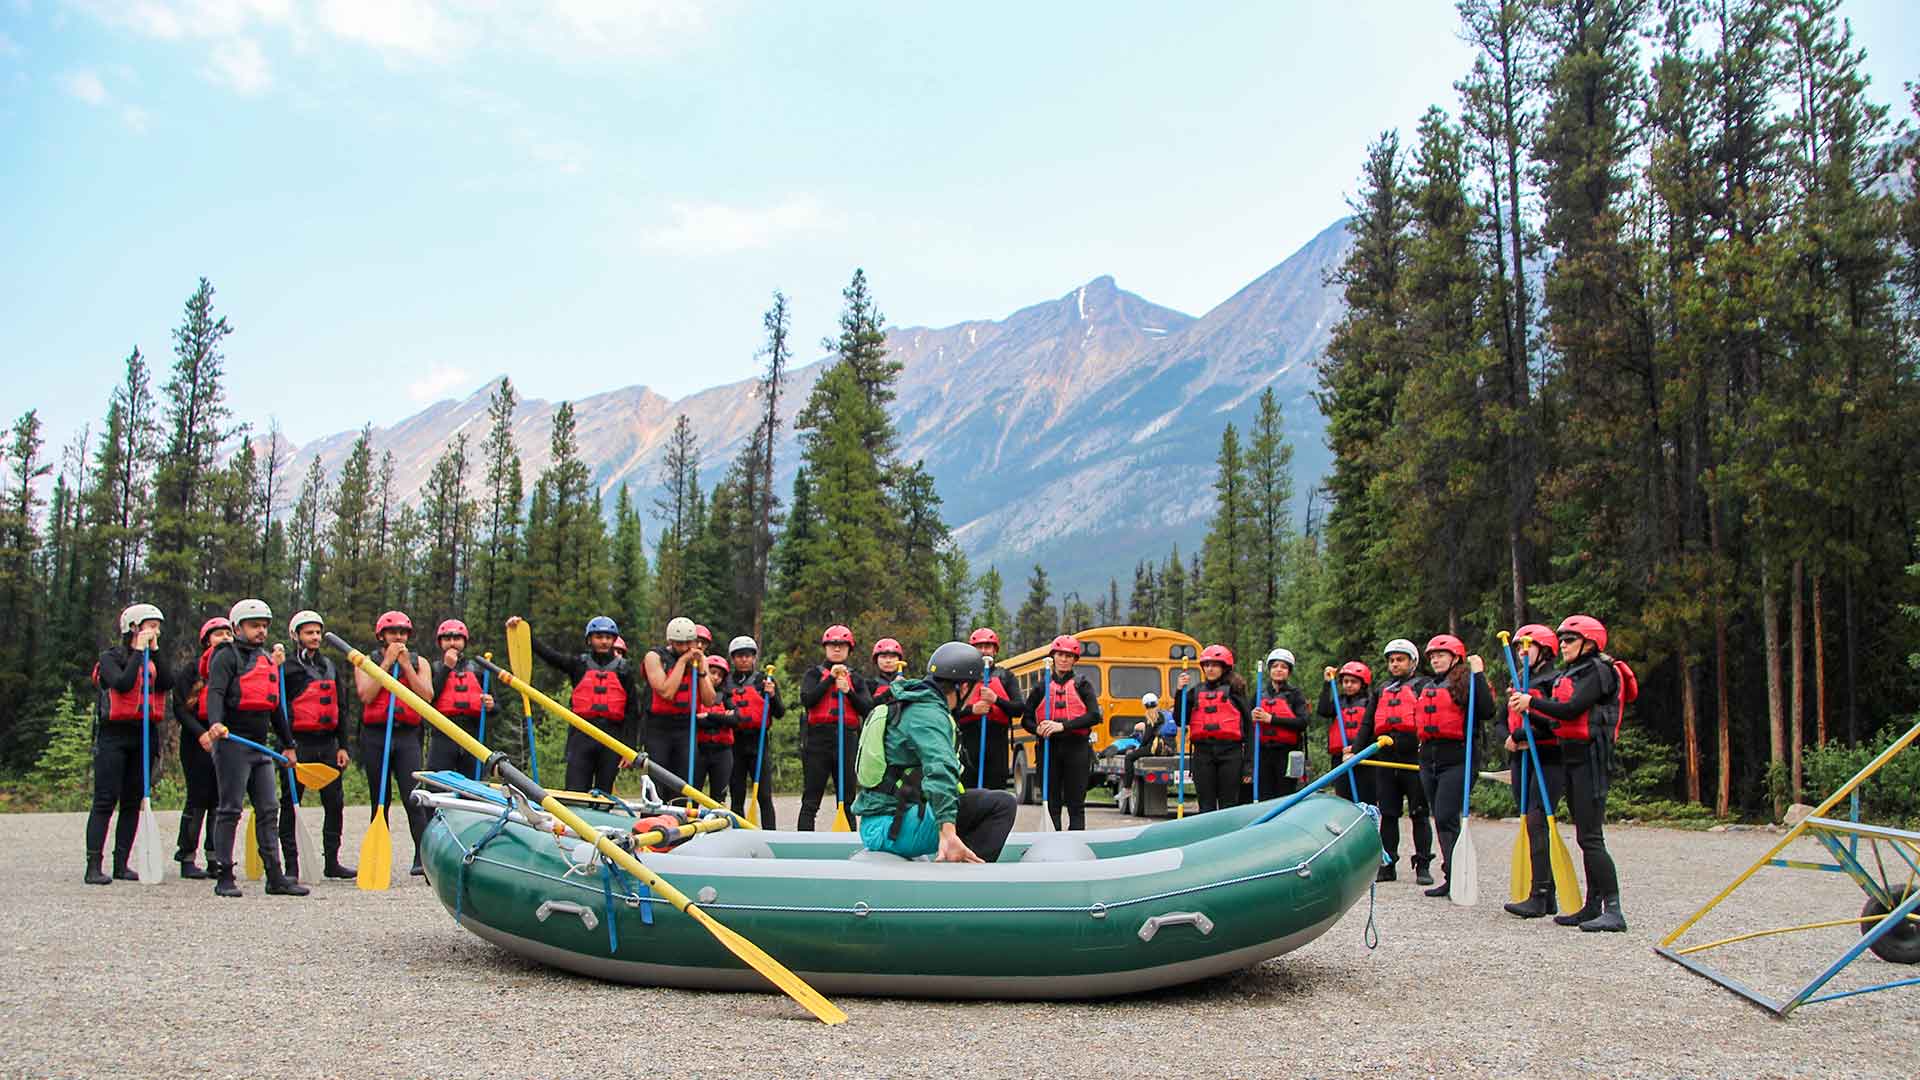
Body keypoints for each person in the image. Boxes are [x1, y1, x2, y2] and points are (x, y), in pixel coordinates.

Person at [1505, 615, 1628, 932]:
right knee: (1583, 836)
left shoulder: (1598, 670)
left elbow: (1573, 708)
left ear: (1589, 642)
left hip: (1591, 759)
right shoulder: (1574, 671)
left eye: (1570, 639)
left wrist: (1532, 702)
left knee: (1591, 838)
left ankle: (1613, 909)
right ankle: (1591, 907)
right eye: (1561, 640)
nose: (1563, 645)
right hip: (1572, 758)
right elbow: (1560, 714)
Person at [850, 641, 1018, 862]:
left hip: (884, 822)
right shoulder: (929, 714)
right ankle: (969, 885)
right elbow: (940, 770)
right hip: (893, 829)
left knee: (969, 800)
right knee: (1002, 804)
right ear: (964, 687)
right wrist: (948, 832)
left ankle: (957, 858)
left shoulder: (911, 702)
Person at [205, 599, 307, 897]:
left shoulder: (265, 660)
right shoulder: (226, 656)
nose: (260, 631)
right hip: (232, 743)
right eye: (254, 626)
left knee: (268, 809)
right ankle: (224, 876)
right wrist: (215, 722)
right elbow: (216, 692)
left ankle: (274, 876)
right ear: (238, 628)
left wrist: (288, 745)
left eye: (264, 625)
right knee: (230, 809)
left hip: (260, 747)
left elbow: (275, 708)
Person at [84, 603, 175, 885]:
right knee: (105, 799)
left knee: (133, 801)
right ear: (134, 627)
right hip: (114, 736)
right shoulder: (111, 657)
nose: (156, 631)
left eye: (157, 626)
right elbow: (122, 684)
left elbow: (167, 682)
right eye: (151, 625)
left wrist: (154, 651)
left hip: (143, 734)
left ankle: (121, 864)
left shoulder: (153, 659)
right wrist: (138, 650)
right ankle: (93, 865)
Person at [512, 614, 642, 793]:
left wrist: (629, 748)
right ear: (590, 640)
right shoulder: (578, 665)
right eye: (599, 637)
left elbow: (632, 711)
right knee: (575, 790)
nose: (604, 641)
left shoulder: (624, 670)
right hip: (581, 735)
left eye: (608, 637)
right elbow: (550, 656)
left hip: (612, 738)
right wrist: (523, 633)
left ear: (614, 640)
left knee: (604, 794)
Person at [355, 610, 435, 877]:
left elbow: (426, 696)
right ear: (382, 636)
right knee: (381, 798)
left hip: (406, 737)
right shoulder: (366, 661)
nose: (398, 637)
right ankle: (379, 860)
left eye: (402, 633)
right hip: (376, 736)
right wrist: (387, 663)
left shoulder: (419, 661)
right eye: (393, 633)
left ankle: (424, 859)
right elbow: (366, 695)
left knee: (413, 799)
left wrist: (407, 667)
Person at [277, 610, 354, 879]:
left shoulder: (329, 666)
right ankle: (291, 866)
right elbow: (278, 709)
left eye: (318, 632)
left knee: (335, 803)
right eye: (309, 632)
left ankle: (332, 861)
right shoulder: (285, 667)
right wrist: (287, 744)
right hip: (297, 744)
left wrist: (343, 746)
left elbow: (341, 708)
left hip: (327, 744)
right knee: (290, 803)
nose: (315, 637)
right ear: (296, 635)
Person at [1415, 634, 1492, 899]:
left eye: (1441, 654)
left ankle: (1458, 875)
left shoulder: (1467, 682)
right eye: (1432, 655)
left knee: (1447, 815)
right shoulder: (1428, 686)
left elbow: (1487, 709)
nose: (1435, 658)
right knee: (1441, 817)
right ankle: (1452, 876)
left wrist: (1479, 673)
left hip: (1458, 758)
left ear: (1456, 657)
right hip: (1429, 758)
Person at [1363, 637, 1435, 884]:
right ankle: (1388, 863)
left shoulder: (1423, 685)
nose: (1395, 664)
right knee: (1389, 814)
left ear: (1412, 662)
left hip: (1413, 758)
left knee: (1419, 813)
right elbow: (1368, 721)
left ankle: (1423, 864)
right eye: (1392, 660)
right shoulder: (1382, 688)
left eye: (1400, 659)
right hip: (1386, 760)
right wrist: (1356, 749)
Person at [1502, 622, 1561, 919]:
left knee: (1538, 820)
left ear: (1545, 650)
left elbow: (1556, 722)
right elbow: (1507, 719)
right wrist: (1512, 736)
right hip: (1522, 759)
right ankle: (1545, 894)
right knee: (1529, 821)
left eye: (1527, 647)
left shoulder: (1554, 679)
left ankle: (1539, 895)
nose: (1521, 652)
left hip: (1548, 757)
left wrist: (1520, 736)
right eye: (1517, 648)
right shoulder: (1519, 680)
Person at [169, 615, 230, 880]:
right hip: (196, 742)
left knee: (219, 800)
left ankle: (215, 857)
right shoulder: (191, 670)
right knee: (198, 800)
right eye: (219, 634)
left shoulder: (233, 668)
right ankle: (187, 857)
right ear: (207, 640)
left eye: (228, 633)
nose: (225, 637)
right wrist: (201, 734)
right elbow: (180, 709)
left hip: (223, 740)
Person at [1023, 635, 1102, 830]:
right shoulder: (1041, 687)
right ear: (1053, 656)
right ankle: (1052, 843)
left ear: (1075, 659)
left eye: (1069, 655)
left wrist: (1063, 726)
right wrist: (1038, 729)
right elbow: (1026, 719)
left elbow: (1094, 716)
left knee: (1076, 804)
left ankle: (1075, 845)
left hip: (1077, 748)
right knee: (1052, 804)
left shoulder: (1082, 685)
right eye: (1060, 655)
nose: (1064, 659)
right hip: (1049, 748)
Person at [797, 624, 870, 830]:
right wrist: (830, 678)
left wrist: (849, 692)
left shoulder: (856, 678)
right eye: (832, 645)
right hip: (818, 740)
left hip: (846, 739)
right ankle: (804, 845)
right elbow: (808, 700)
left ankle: (849, 841)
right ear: (826, 647)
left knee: (847, 799)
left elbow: (867, 708)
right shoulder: (813, 674)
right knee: (811, 798)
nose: (837, 649)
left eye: (842, 645)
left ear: (849, 649)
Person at [634, 616, 715, 786]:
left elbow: (709, 700)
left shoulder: (701, 660)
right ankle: (653, 813)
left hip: (685, 728)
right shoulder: (654, 657)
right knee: (657, 782)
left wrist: (701, 670)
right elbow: (666, 692)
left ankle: (679, 812)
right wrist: (683, 661)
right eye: (680, 644)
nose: (685, 648)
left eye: (689, 643)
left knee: (682, 784)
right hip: (658, 728)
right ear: (670, 641)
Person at [1169, 644, 1250, 813]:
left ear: (1224, 667)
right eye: (1207, 665)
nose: (1210, 669)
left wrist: (1248, 764)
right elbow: (1179, 719)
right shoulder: (1195, 691)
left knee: (1229, 804)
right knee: (1206, 805)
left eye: (1215, 665)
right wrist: (1178, 691)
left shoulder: (1235, 692)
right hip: (1203, 754)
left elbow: (1249, 727)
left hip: (1230, 753)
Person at [956, 627, 1026, 792]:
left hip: (997, 745)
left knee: (995, 792)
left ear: (995, 650)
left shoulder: (1006, 677)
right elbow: (949, 710)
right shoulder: (961, 677)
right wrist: (972, 710)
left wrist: (996, 700)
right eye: (979, 647)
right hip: (968, 743)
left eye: (988, 646)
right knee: (967, 792)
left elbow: (1019, 709)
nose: (983, 651)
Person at [723, 636, 782, 826]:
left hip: (759, 742)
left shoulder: (765, 680)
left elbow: (779, 712)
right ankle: (738, 833)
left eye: (748, 655)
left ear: (754, 658)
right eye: (739, 656)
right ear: (733, 658)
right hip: (735, 743)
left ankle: (769, 835)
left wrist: (772, 696)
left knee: (764, 795)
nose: (744, 659)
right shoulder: (726, 683)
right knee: (737, 794)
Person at [424, 619, 495, 776]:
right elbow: (429, 698)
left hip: (473, 735)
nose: (452, 643)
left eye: (457, 639)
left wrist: (491, 705)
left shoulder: (479, 669)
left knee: (472, 787)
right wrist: (446, 668)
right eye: (447, 639)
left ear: (464, 642)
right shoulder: (433, 668)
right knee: (438, 786)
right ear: (440, 643)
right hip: (443, 735)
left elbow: (496, 708)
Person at [1249, 647, 1309, 798]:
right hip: (1263, 752)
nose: (1279, 670)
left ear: (1289, 671)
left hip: (1287, 753)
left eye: (1283, 667)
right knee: (1265, 795)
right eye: (1275, 666)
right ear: (1269, 670)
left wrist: (1271, 719)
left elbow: (1302, 722)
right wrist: (1251, 717)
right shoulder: (1259, 694)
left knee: (1285, 795)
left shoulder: (1295, 695)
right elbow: (1245, 722)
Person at [1316, 660, 1375, 808]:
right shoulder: (1338, 701)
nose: (1348, 685)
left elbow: (1371, 730)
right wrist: (1328, 684)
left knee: (1365, 798)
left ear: (1363, 683)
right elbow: (1323, 710)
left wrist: (1357, 750)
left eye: (1353, 682)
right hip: (1340, 757)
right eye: (1345, 681)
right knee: (1343, 798)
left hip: (1363, 758)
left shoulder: (1370, 702)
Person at [690, 655, 742, 804]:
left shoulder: (726, 697)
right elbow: (694, 721)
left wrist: (708, 716)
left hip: (722, 752)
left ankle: (717, 824)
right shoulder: (695, 695)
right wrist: (721, 718)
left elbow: (735, 720)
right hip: (699, 750)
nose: (716, 677)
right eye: (712, 672)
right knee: (693, 794)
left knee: (719, 798)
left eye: (720, 675)